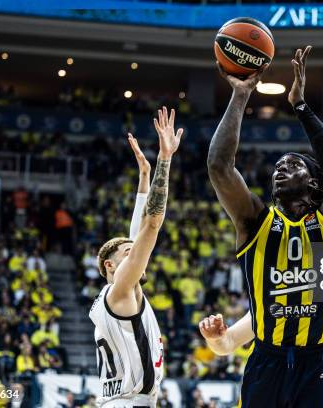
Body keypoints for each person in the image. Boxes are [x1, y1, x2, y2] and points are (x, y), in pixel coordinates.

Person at [206, 45, 323, 408]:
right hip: (267, 358)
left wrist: (301, 106)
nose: (280, 169)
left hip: (317, 361)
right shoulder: (255, 222)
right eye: (277, 168)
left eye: (292, 165)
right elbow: (219, 167)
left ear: (315, 185)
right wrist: (241, 95)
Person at [89, 107, 182, 408]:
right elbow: (150, 226)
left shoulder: (118, 290)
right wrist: (164, 160)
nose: (138, 257)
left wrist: (144, 180)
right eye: (129, 255)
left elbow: (136, 234)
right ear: (110, 265)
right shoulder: (120, 290)